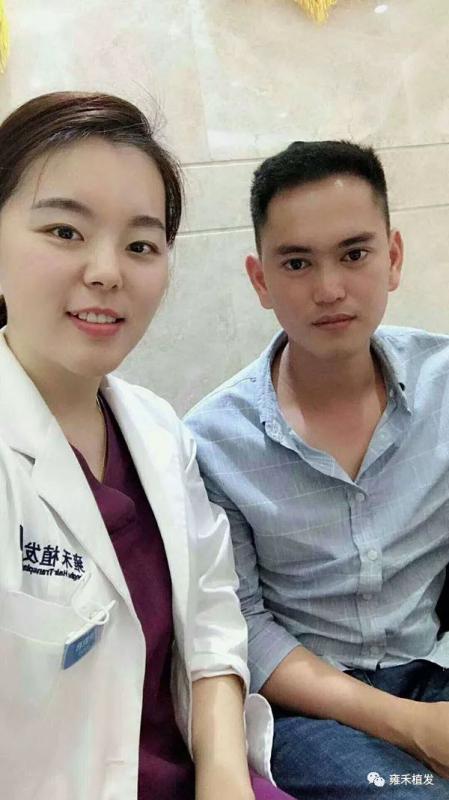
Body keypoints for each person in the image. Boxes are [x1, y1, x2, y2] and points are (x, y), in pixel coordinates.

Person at [0, 91, 294, 800]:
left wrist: (223, 775)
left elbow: (213, 616)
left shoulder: (159, 429)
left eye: (140, 245)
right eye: (65, 231)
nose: (108, 271)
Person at [185, 140, 449, 799]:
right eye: (297, 263)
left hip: (434, 665)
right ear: (260, 280)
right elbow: (241, 624)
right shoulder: (212, 441)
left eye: (354, 254)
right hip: (311, 709)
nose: (329, 289)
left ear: (392, 258)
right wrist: (410, 725)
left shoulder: (443, 386)